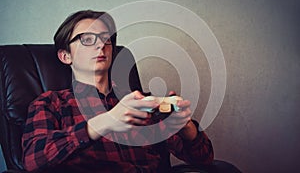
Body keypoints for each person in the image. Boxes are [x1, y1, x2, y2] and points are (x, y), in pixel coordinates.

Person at [22, 10, 214, 172]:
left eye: (106, 39)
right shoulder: (51, 103)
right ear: (65, 56)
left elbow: (204, 160)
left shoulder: (144, 103)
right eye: (87, 39)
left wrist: (187, 130)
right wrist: (105, 122)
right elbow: (33, 159)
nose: (101, 45)